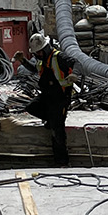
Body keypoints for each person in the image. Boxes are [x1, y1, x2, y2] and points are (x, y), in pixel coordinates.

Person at [24, 31, 75, 167]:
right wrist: (22, 61)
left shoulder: (59, 57)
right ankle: (50, 120)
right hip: (47, 95)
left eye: (39, 52)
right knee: (31, 107)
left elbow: (78, 64)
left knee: (57, 131)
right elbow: (34, 69)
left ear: (46, 48)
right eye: (36, 53)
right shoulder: (43, 60)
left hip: (60, 98)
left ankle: (62, 162)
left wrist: (74, 75)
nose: (38, 55)